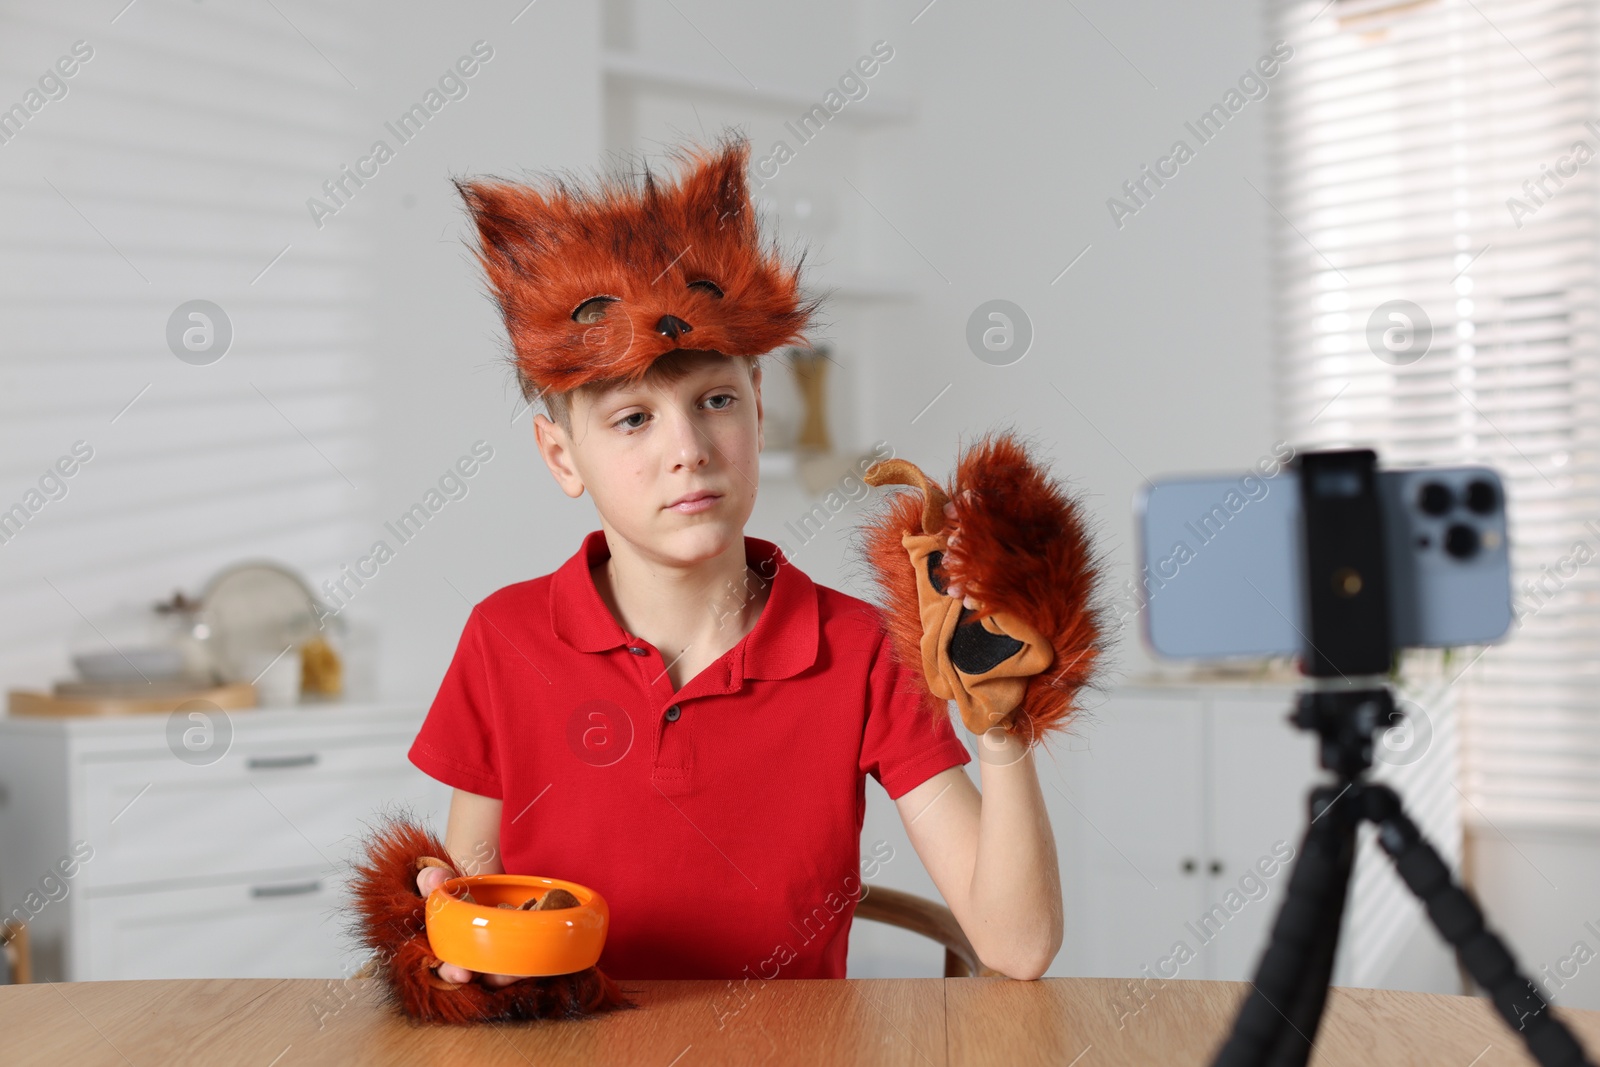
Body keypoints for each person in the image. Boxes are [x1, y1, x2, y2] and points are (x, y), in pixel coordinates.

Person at [406, 133, 1064, 985]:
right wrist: (442, 940)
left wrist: (1004, 727)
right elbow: (475, 917)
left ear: (757, 407)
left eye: (714, 400)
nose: (689, 449)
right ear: (560, 455)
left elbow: (1018, 946)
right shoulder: (505, 637)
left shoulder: (866, 647)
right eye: (633, 419)